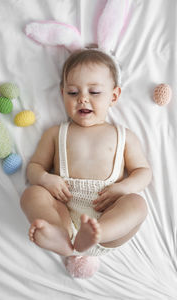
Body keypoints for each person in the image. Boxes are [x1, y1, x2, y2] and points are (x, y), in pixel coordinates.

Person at [20, 48, 152, 257]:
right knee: (31, 194)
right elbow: (35, 168)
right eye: (73, 92)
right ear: (63, 94)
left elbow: (143, 171)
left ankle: (96, 234)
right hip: (64, 209)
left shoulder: (123, 136)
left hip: (107, 215)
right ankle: (58, 234)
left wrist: (124, 188)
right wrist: (46, 179)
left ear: (114, 96)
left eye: (94, 92)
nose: (82, 99)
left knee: (137, 205)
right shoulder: (56, 133)